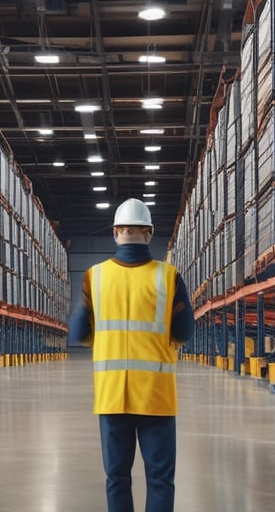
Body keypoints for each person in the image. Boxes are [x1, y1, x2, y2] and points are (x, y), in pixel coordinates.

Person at [69, 198, 195, 512]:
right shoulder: (168, 277)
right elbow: (184, 332)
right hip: (156, 396)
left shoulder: (94, 276)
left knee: (117, 477)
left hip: (112, 396)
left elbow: (78, 333)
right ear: (149, 234)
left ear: (115, 233)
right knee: (161, 479)